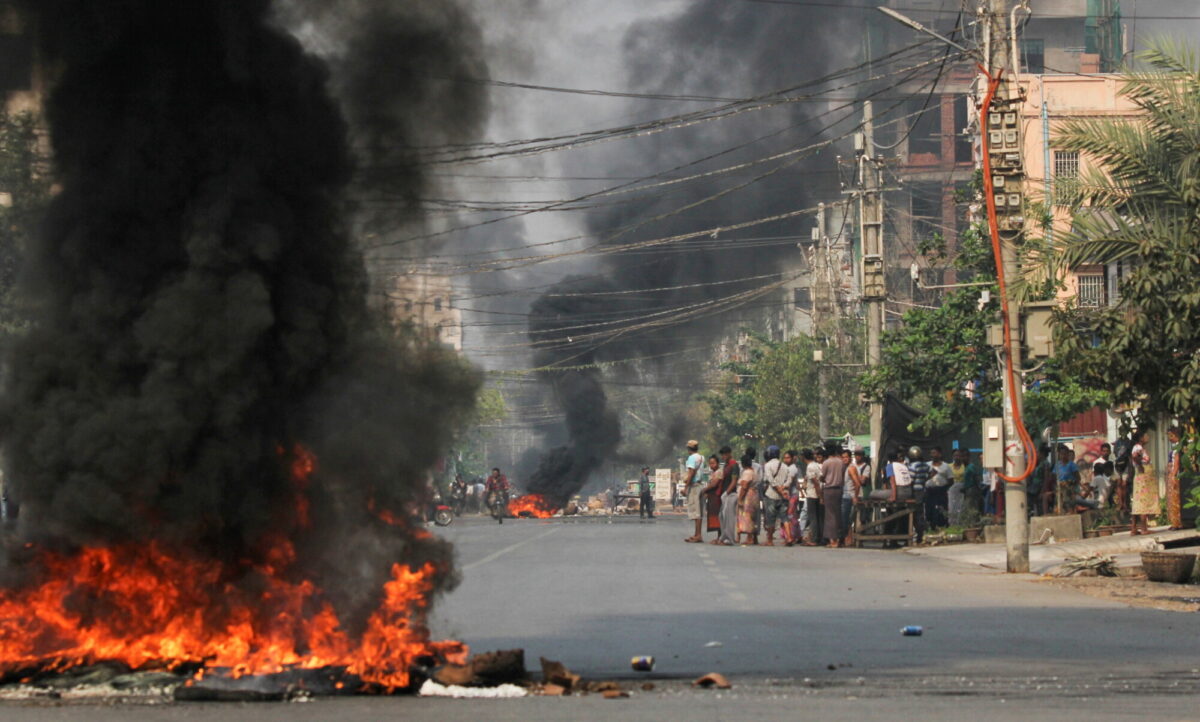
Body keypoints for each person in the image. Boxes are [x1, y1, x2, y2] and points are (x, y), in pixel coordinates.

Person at [760, 446, 791, 546]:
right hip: (783, 495)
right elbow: (789, 480)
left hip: (771, 495)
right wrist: (783, 488)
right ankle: (789, 537)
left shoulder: (768, 465)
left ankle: (769, 540)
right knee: (785, 518)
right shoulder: (785, 466)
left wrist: (778, 489)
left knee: (770, 518)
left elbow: (770, 479)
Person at [1130, 430, 1159, 535]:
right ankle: (1143, 528)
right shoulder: (1138, 448)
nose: (1147, 437)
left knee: (1138, 501)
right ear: (1141, 438)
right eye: (1146, 435)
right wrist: (1140, 465)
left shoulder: (1139, 447)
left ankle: (1134, 528)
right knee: (1143, 501)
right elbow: (1134, 456)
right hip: (1143, 477)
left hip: (1142, 477)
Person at [820, 446, 846, 548]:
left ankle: (833, 540)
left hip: (829, 489)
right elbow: (843, 475)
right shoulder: (841, 462)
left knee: (830, 515)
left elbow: (823, 476)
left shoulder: (826, 463)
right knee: (838, 514)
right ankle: (839, 538)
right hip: (839, 489)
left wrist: (823, 479)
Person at [682, 440, 706, 543]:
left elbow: (691, 473)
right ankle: (697, 534)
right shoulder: (701, 457)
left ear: (689, 449)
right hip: (700, 485)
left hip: (694, 486)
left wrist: (685, 487)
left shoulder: (691, 458)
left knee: (696, 512)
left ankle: (698, 535)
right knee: (699, 511)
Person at [925, 446, 952, 529]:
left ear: (940, 454)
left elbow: (951, 480)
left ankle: (943, 526)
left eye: (934, 453)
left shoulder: (946, 466)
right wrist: (930, 476)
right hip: (930, 491)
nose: (932, 455)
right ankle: (931, 526)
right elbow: (923, 478)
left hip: (941, 491)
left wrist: (944, 488)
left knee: (942, 509)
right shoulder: (927, 465)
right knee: (930, 509)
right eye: (931, 453)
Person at [735, 453, 760, 546]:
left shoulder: (747, 472)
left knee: (747, 516)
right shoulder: (754, 471)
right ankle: (754, 537)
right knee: (753, 516)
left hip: (747, 496)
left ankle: (749, 538)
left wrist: (740, 499)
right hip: (754, 495)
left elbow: (744, 486)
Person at [802, 449, 823, 546]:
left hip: (812, 494)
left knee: (813, 518)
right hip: (817, 494)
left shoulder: (810, 467)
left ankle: (814, 539)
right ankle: (819, 537)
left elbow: (815, 482)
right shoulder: (816, 465)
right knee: (818, 517)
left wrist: (819, 495)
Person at [841, 449, 861, 546]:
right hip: (847, 495)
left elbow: (857, 483)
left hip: (849, 496)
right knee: (847, 519)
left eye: (846, 457)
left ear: (850, 458)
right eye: (843, 457)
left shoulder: (851, 468)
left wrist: (855, 496)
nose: (844, 459)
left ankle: (848, 539)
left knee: (846, 520)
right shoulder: (848, 467)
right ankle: (849, 539)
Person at [1166, 427, 1184, 529]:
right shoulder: (1175, 447)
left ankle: (1177, 523)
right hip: (1173, 474)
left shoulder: (1178, 447)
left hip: (1175, 475)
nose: (1169, 438)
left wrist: (1173, 476)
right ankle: (1174, 522)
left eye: (1170, 435)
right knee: (1172, 499)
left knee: (1175, 500)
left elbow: (1176, 463)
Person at [1092, 442, 1114, 507]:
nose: (1105, 453)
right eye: (1104, 451)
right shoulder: (1097, 462)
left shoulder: (1112, 462)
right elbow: (1094, 475)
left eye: (1107, 451)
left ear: (1110, 452)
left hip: (1110, 485)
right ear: (1101, 452)